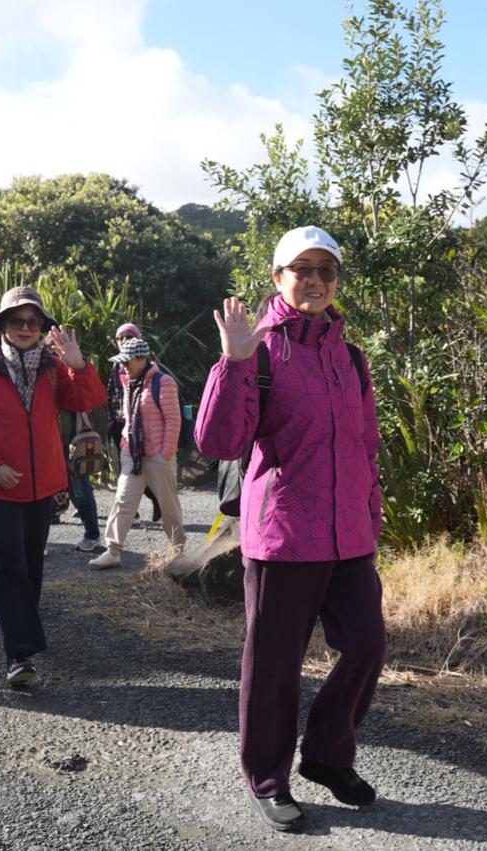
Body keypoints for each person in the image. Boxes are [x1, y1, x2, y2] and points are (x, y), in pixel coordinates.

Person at [193, 225, 385, 832]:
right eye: (302, 269)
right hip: (283, 534)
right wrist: (234, 361)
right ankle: (268, 779)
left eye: (326, 271)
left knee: (366, 645)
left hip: (349, 535)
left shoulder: (352, 356)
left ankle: (326, 757)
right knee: (274, 664)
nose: (316, 281)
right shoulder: (259, 346)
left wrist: (371, 511)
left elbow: (366, 444)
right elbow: (217, 441)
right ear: (279, 277)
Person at [0, 286, 105, 687]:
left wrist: (79, 364)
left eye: (32, 321)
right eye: (16, 320)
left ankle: (23, 637)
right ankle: (19, 655)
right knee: (9, 567)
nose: (24, 327)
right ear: (2, 325)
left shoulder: (53, 368)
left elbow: (88, 398)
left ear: (42, 327)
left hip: (43, 488)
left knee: (32, 566)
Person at [89, 337, 185, 568]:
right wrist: (125, 446)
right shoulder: (128, 382)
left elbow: (173, 420)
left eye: (128, 361)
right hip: (132, 454)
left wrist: (166, 453)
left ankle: (178, 551)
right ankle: (113, 551)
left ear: (142, 359)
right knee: (123, 500)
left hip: (158, 456)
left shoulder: (164, 382)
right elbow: (129, 420)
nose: (123, 366)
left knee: (168, 505)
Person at [107, 323, 161, 525]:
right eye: (120, 338)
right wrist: (112, 420)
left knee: (143, 469)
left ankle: (158, 502)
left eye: (128, 336)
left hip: (142, 429)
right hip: (120, 426)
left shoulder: (148, 367)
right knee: (125, 469)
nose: (123, 341)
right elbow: (111, 393)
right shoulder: (117, 365)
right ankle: (131, 513)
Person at [59, 403, 107, 551]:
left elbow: (87, 401)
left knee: (81, 488)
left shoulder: (71, 381)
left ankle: (92, 535)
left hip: (74, 441)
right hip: (57, 439)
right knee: (71, 487)